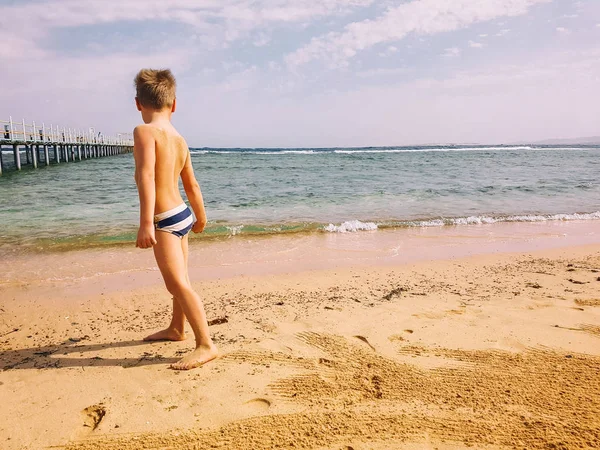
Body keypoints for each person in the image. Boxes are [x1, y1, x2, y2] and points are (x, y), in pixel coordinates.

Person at [132, 68, 218, 370]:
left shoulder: (144, 132)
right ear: (174, 104)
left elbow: (145, 177)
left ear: (138, 103)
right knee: (181, 278)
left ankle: (206, 344)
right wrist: (201, 215)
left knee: (177, 284)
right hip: (183, 213)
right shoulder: (179, 138)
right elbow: (191, 183)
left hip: (164, 218)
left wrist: (145, 222)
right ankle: (176, 328)